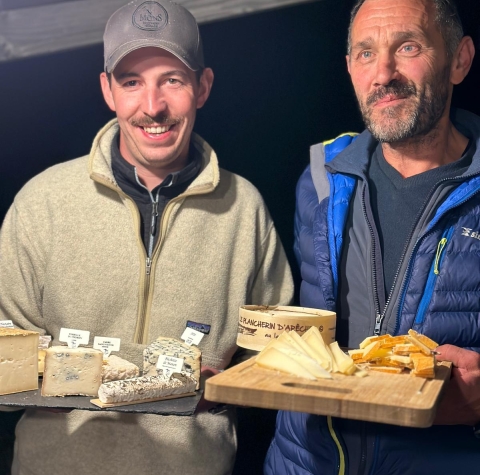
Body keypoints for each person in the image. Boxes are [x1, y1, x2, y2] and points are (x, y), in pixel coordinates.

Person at [0, 1, 293, 474]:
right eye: (131, 81)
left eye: (172, 80)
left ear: (203, 87)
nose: (153, 106)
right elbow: (3, 341)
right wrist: (45, 377)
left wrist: (223, 384)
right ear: (107, 91)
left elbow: (278, 353)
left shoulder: (245, 209)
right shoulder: (42, 202)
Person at [265, 0, 480, 473]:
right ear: (349, 68)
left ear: (459, 59)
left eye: (407, 46)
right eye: (365, 53)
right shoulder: (320, 178)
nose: (382, 73)